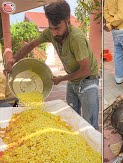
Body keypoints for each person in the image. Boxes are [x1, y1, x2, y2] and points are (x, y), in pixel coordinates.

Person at [3, 1, 100, 130]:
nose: (54, 33)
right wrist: (13, 60)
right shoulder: (50, 32)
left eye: (58, 28)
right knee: (72, 119)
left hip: (88, 81)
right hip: (73, 81)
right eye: (51, 28)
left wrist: (61, 79)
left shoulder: (76, 38)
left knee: (90, 124)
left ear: (68, 22)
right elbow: (31, 45)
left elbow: (86, 70)